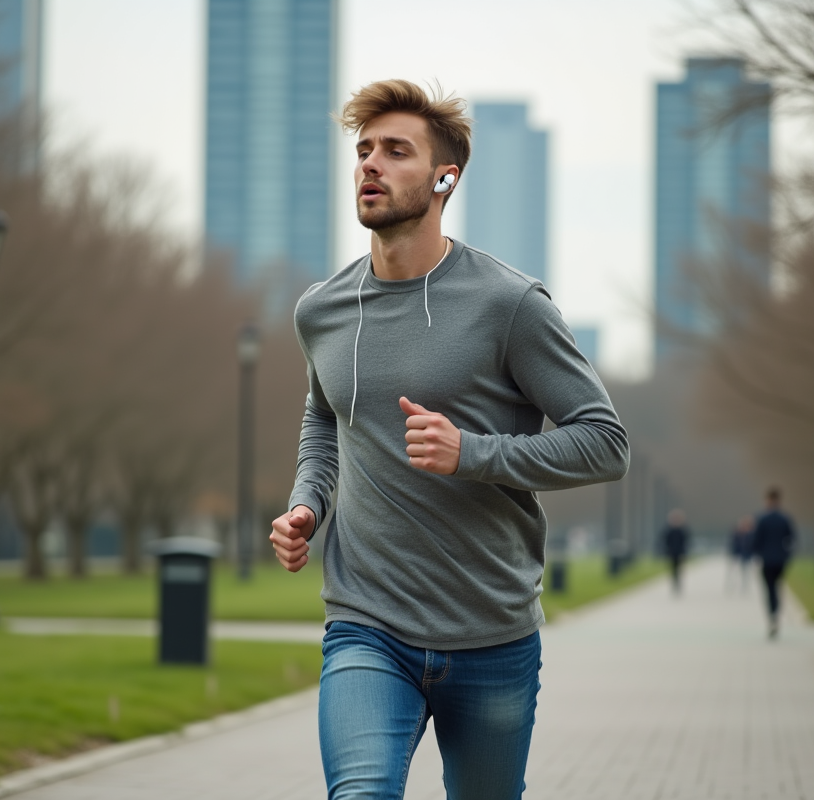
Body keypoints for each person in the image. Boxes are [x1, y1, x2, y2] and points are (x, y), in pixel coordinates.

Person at [268, 79, 630, 799]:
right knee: (361, 791)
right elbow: (324, 419)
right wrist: (309, 504)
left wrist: (474, 453)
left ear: (444, 177)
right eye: (364, 150)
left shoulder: (510, 305)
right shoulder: (323, 310)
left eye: (395, 151)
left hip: (490, 631)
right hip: (368, 623)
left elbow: (605, 442)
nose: (370, 164)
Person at [751, 487, 795, 638]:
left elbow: (756, 540)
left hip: (767, 560)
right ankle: (776, 613)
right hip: (781, 559)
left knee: (770, 589)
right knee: (777, 587)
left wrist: (757, 554)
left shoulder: (762, 519)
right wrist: (787, 555)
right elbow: (791, 539)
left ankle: (772, 615)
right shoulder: (785, 518)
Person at [660, 509, 690, 595]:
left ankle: (678, 583)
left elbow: (686, 542)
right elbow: (665, 541)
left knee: (679, 569)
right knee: (673, 569)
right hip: (672, 553)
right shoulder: (669, 530)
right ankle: (674, 583)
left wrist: (684, 552)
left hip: (680, 553)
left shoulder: (683, 530)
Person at [727, 515, 754, 593]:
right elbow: (732, 544)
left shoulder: (750, 534)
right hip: (737, 555)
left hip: (746, 556)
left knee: (746, 572)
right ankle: (732, 587)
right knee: (734, 572)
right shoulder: (736, 534)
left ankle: (745, 587)